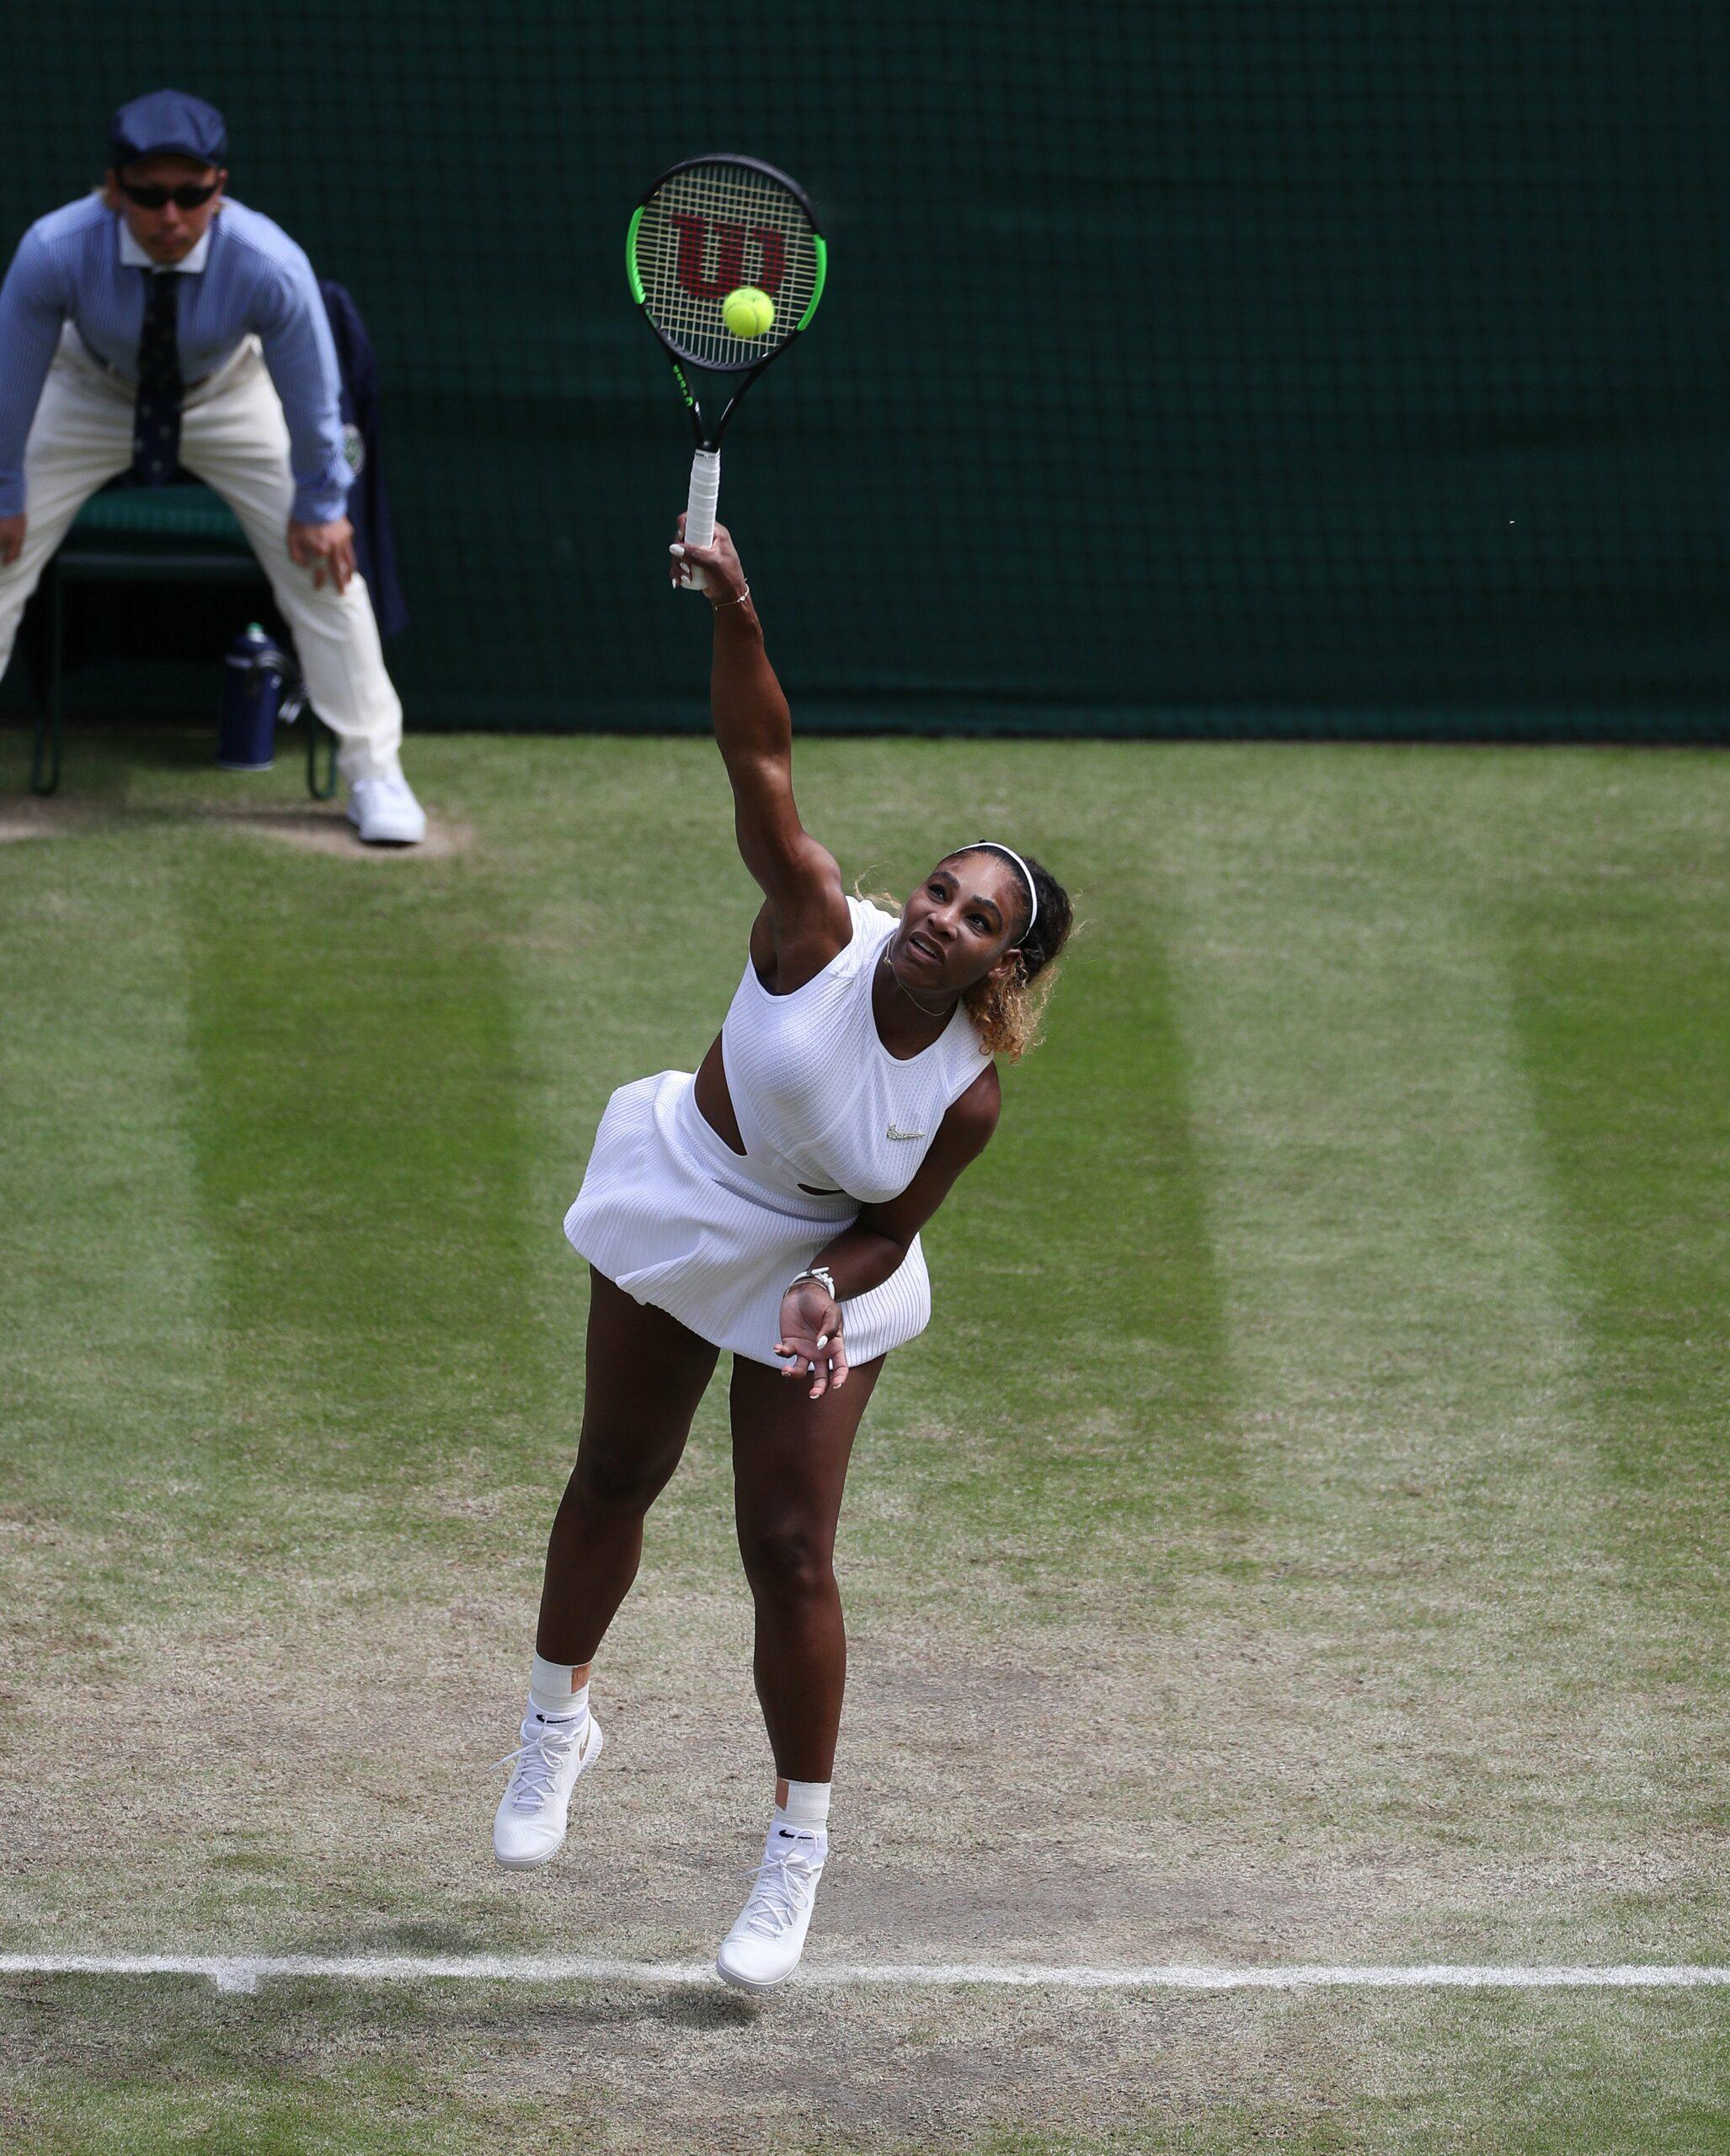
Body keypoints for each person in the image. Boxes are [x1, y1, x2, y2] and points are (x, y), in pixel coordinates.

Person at [492, 515, 1074, 1993]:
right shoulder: (816, 927)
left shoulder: (969, 1094)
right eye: (936, 890)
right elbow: (760, 766)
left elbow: (889, 1230)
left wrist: (827, 1284)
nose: (933, 918)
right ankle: (557, 1724)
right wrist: (735, 606)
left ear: (1000, 970)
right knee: (616, 1471)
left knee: (788, 1548)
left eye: (971, 920)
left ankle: (792, 1850)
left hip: (818, 1269)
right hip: (688, 1192)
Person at [0, 88, 424, 845]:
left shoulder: (270, 263)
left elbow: (313, 398)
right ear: (113, 188)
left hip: (228, 390)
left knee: (324, 561)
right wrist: (5, 493)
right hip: (87, 387)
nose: (171, 217)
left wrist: (323, 504)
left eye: (191, 195)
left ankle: (373, 769)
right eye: (149, 195)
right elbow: (11, 387)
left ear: (219, 189)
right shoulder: (54, 251)